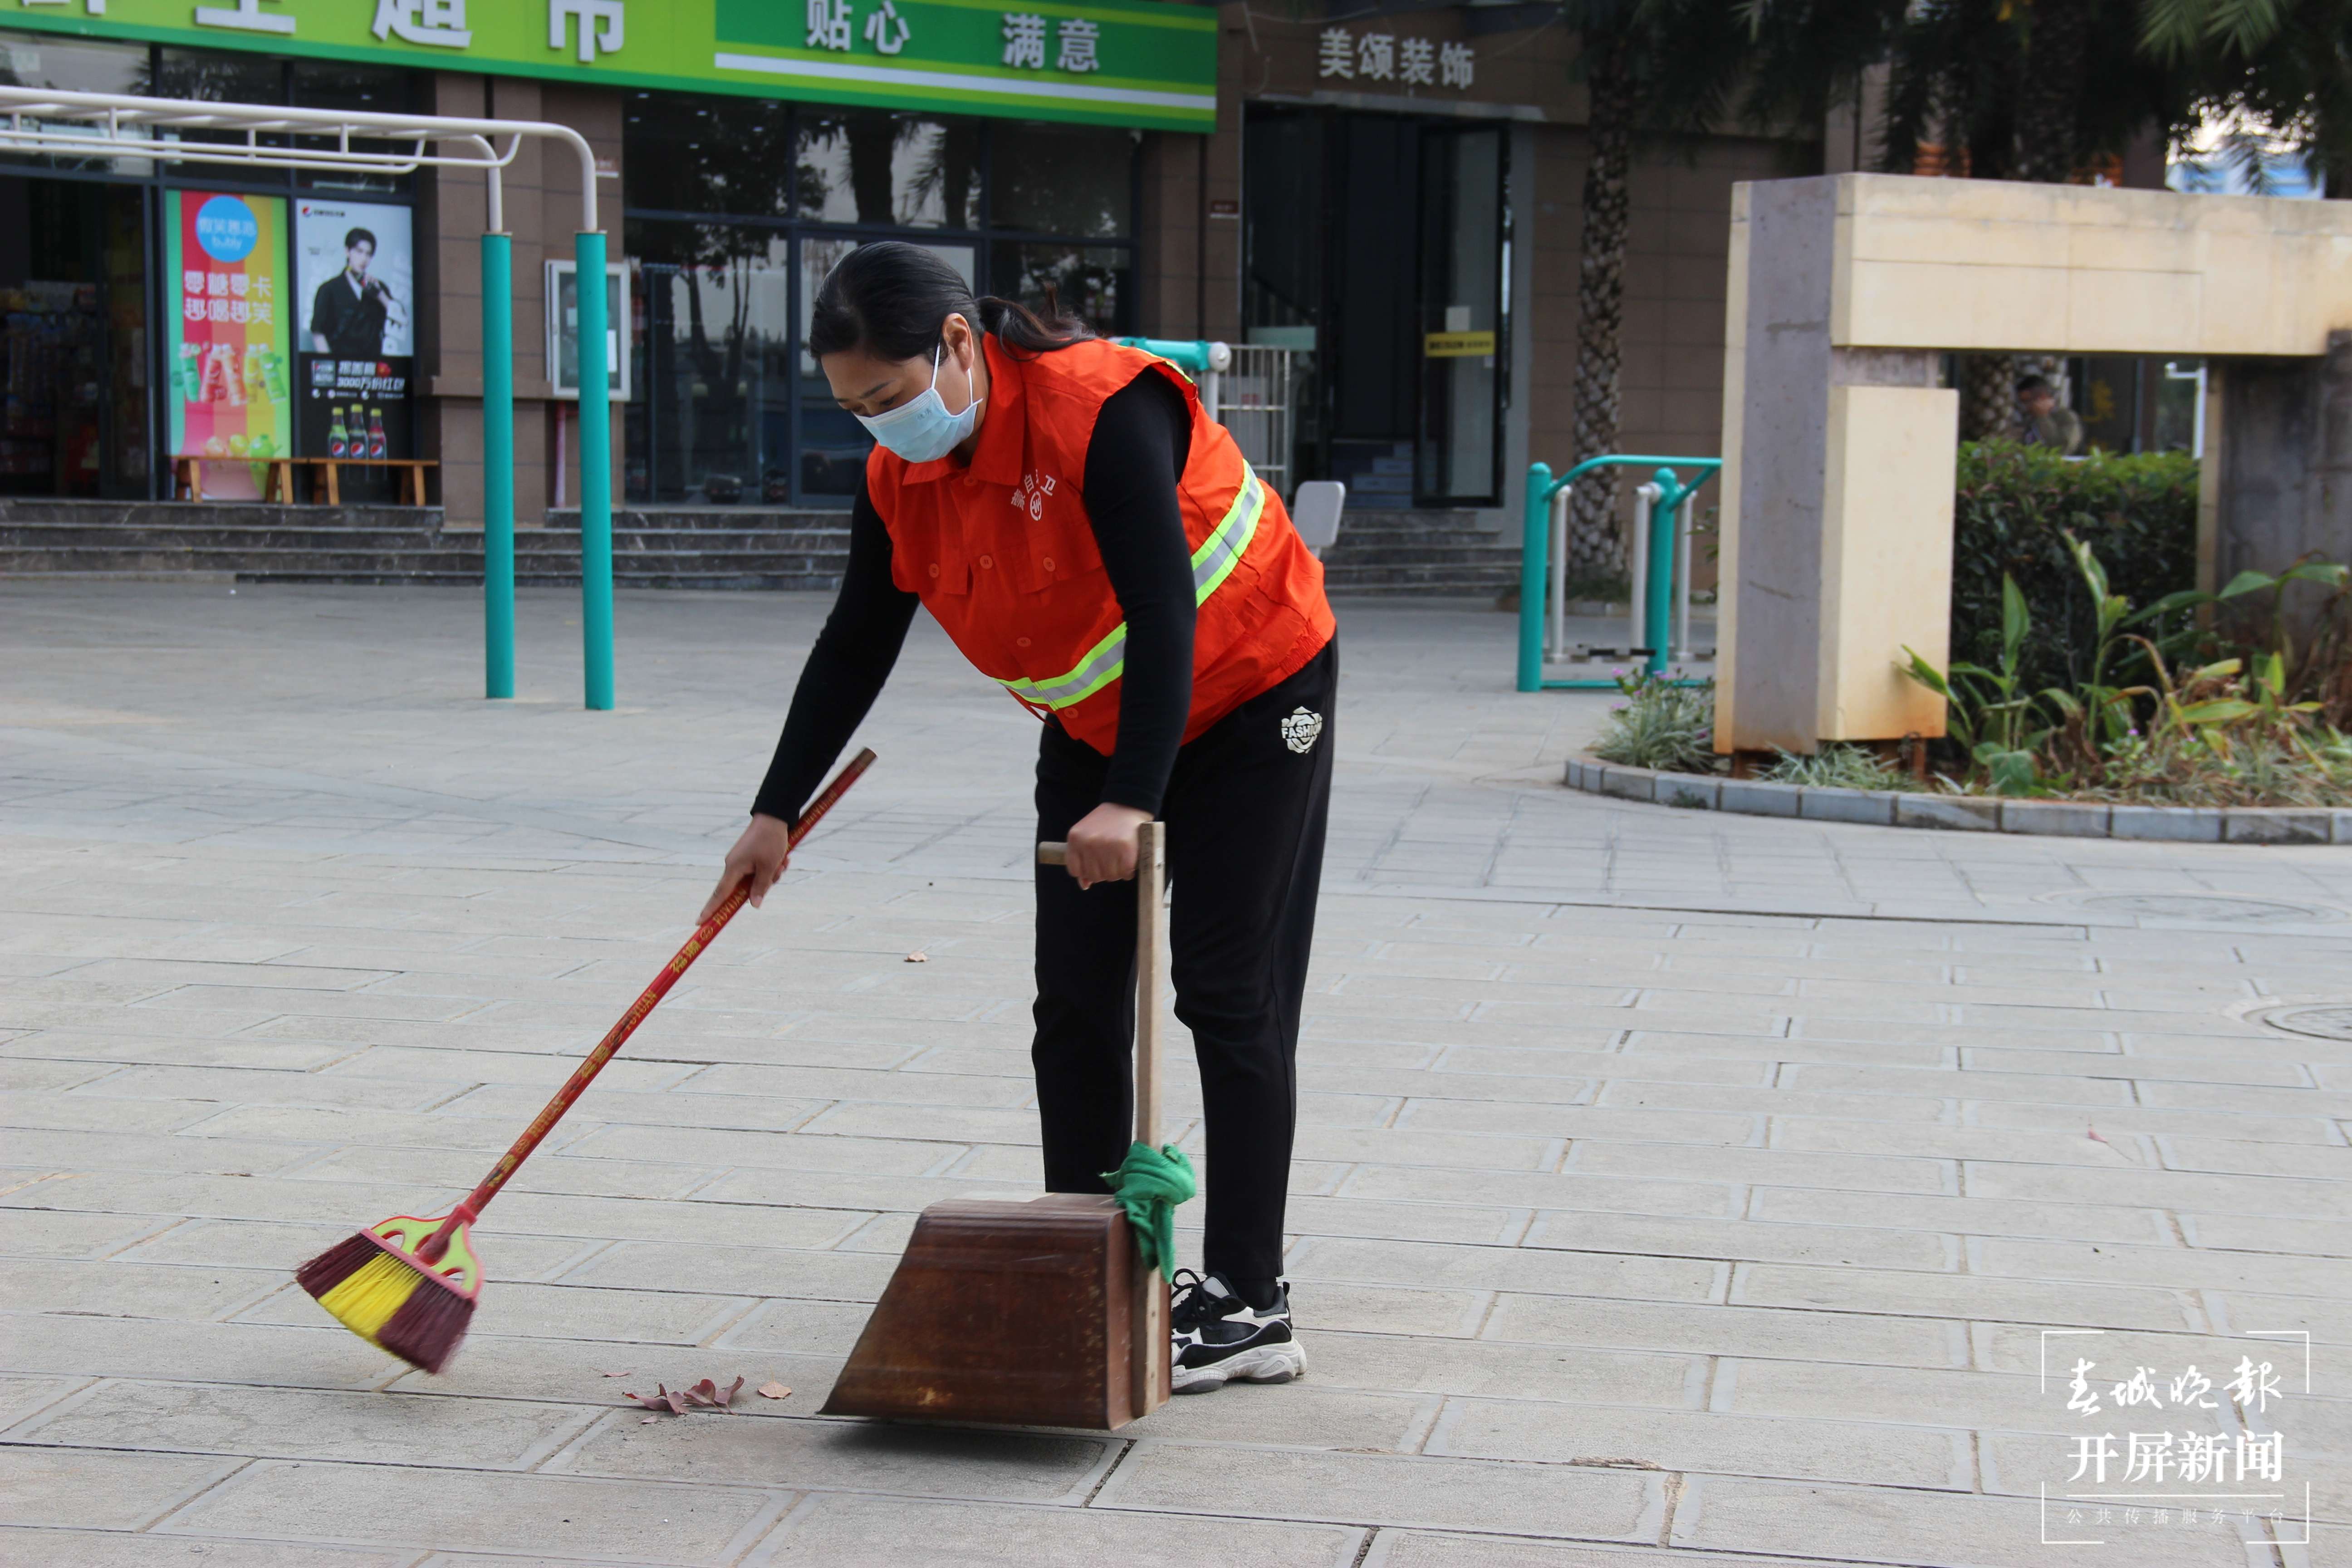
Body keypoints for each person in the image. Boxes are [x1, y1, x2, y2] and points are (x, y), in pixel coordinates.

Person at [703, 242, 1336, 1394]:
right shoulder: (901, 479)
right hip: (1098, 722)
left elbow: (1162, 608)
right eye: (852, 410)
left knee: (1226, 987)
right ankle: (1084, 1255)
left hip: (1255, 690)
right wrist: (773, 811)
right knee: (1075, 1001)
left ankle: (1251, 1298)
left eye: (887, 398)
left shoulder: (1099, 407)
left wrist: (1133, 799)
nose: (877, 428)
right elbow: (855, 640)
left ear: (954, 345)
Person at [309, 227, 395, 357]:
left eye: (369, 254)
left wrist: (380, 295)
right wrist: (329, 362)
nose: (364, 259)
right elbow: (318, 332)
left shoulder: (379, 287)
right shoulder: (328, 290)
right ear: (348, 251)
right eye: (359, 252)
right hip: (341, 364)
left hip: (374, 367)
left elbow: (399, 321)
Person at [2017, 374, 2084, 456]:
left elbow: (2060, 448)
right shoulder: (2032, 420)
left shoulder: (2067, 418)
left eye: (2028, 401)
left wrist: (2043, 417)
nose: (2026, 407)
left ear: (2042, 398)